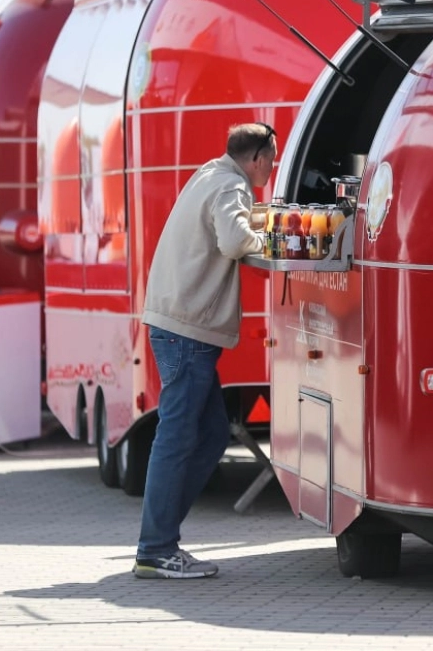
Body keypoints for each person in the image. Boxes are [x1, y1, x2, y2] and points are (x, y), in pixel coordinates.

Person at [133, 121, 275, 579]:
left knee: (212, 433)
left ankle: (162, 538)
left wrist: (259, 221)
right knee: (176, 438)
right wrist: (268, 240)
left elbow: (227, 223)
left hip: (176, 324)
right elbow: (233, 240)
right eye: (270, 162)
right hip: (187, 331)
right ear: (258, 159)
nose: (270, 171)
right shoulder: (232, 186)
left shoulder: (210, 173)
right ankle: (156, 549)